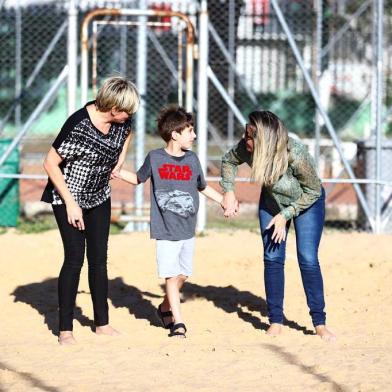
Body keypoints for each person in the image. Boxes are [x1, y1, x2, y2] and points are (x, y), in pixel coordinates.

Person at [220, 110, 336, 342]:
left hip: (306, 203)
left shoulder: (296, 153)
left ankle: (319, 322)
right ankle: (275, 320)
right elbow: (228, 161)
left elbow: (313, 191)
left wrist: (285, 215)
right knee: (272, 258)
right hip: (272, 202)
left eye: (250, 136)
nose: (244, 140)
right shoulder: (248, 147)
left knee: (307, 258)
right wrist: (229, 191)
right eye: (245, 134)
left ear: (265, 139)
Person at [42, 76, 140, 345]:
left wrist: (118, 165)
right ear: (113, 109)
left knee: (99, 259)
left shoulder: (123, 122)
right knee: (74, 258)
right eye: (127, 111)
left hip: (99, 196)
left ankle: (102, 323)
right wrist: (71, 204)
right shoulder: (78, 125)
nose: (130, 116)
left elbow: (127, 135)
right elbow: (50, 163)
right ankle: (65, 330)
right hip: (68, 197)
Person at [113, 106, 223, 338]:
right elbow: (138, 179)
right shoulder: (155, 157)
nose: (194, 136)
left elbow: (201, 186)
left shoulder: (192, 159)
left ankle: (164, 307)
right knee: (171, 277)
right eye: (189, 131)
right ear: (175, 134)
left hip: (187, 229)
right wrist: (118, 172)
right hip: (165, 229)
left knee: (183, 275)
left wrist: (223, 200)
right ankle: (178, 323)